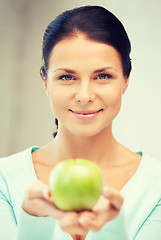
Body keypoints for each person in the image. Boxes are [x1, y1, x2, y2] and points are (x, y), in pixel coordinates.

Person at [0, 5, 161, 240]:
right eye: (67, 77)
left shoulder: (156, 187)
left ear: (126, 80)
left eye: (103, 76)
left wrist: (110, 226)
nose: (84, 95)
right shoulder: (4, 179)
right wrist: (34, 220)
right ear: (45, 82)